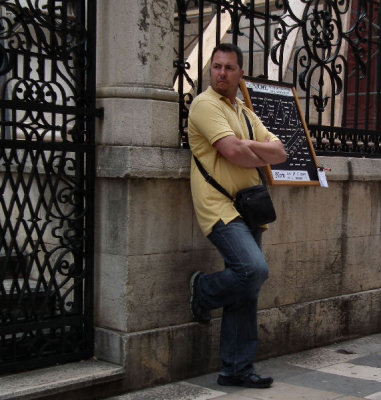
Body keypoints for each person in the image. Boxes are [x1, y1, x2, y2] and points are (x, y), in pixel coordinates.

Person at [188, 43, 287, 389]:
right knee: (253, 270)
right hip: (218, 206)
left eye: (229, 68)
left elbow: (281, 151)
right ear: (210, 69)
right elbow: (232, 152)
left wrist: (250, 148)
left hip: (248, 207)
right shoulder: (204, 105)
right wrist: (250, 149)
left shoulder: (244, 111)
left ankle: (236, 369)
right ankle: (203, 289)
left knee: (247, 291)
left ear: (240, 73)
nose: (221, 73)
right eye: (216, 67)